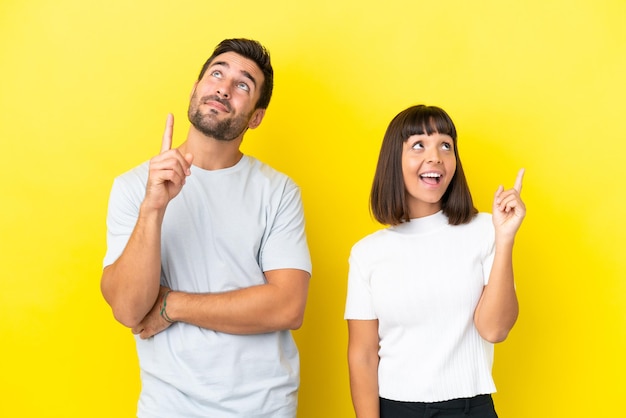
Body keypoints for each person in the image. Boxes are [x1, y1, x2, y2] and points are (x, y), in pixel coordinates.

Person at [101, 38, 312, 418]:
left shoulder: (278, 192)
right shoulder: (134, 186)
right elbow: (129, 309)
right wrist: (153, 208)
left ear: (256, 117)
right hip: (168, 406)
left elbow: (287, 306)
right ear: (195, 89)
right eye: (217, 74)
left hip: (263, 407)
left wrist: (171, 305)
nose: (224, 88)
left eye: (243, 84)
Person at [344, 105, 526, 418]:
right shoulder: (367, 253)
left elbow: (494, 330)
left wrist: (505, 238)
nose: (435, 157)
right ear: (394, 161)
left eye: (446, 145)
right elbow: (362, 355)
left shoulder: (486, 229)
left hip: (472, 409)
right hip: (396, 410)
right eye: (419, 145)